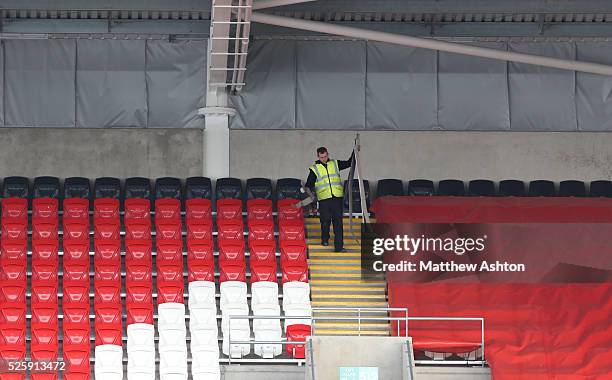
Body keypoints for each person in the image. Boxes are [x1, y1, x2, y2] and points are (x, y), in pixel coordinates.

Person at [305, 146, 354, 252]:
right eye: (322, 157)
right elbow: (308, 185)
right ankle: (325, 239)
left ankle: (339, 247)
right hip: (324, 199)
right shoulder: (315, 169)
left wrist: (354, 151)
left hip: (336, 198)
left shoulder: (335, 163)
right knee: (325, 221)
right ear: (318, 156)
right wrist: (312, 198)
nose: (324, 158)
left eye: (326, 156)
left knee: (338, 223)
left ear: (328, 154)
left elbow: (349, 163)